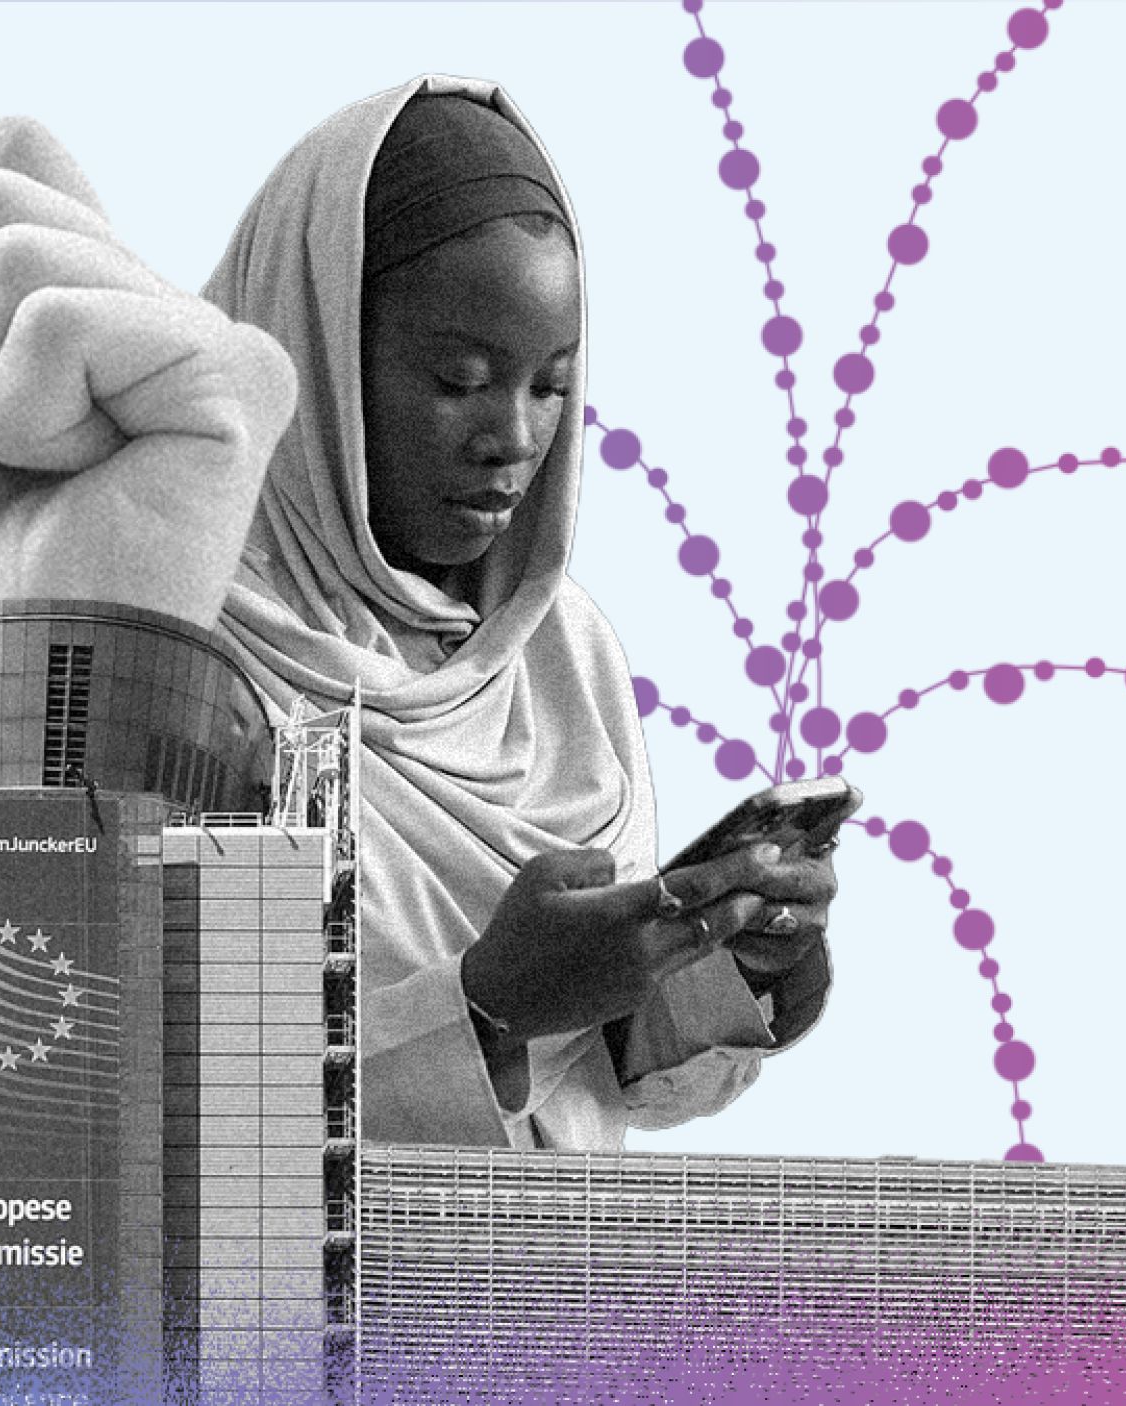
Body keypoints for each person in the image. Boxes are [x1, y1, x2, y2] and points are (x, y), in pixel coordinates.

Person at [206, 78, 843, 1150]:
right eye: (459, 379)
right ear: (311, 351)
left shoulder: (561, 652)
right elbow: (128, 1109)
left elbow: (609, 1083)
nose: (513, 435)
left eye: (550, 385)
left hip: (552, 1296)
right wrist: (488, 1009)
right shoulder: (175, 657)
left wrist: (729, 948)